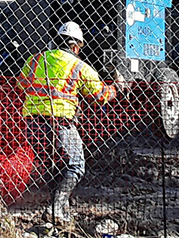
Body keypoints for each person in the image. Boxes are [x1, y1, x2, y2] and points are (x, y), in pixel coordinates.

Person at [20, 20, 117, 223]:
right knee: (75, 166)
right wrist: (117, 87)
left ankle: (60, 210)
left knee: (51, 165)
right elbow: (100, 95)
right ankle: (56, 209)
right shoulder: (80, 67)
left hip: (31, 122)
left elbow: (22, 83)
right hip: (60, 123)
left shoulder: (35, 59)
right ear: (75, 46)